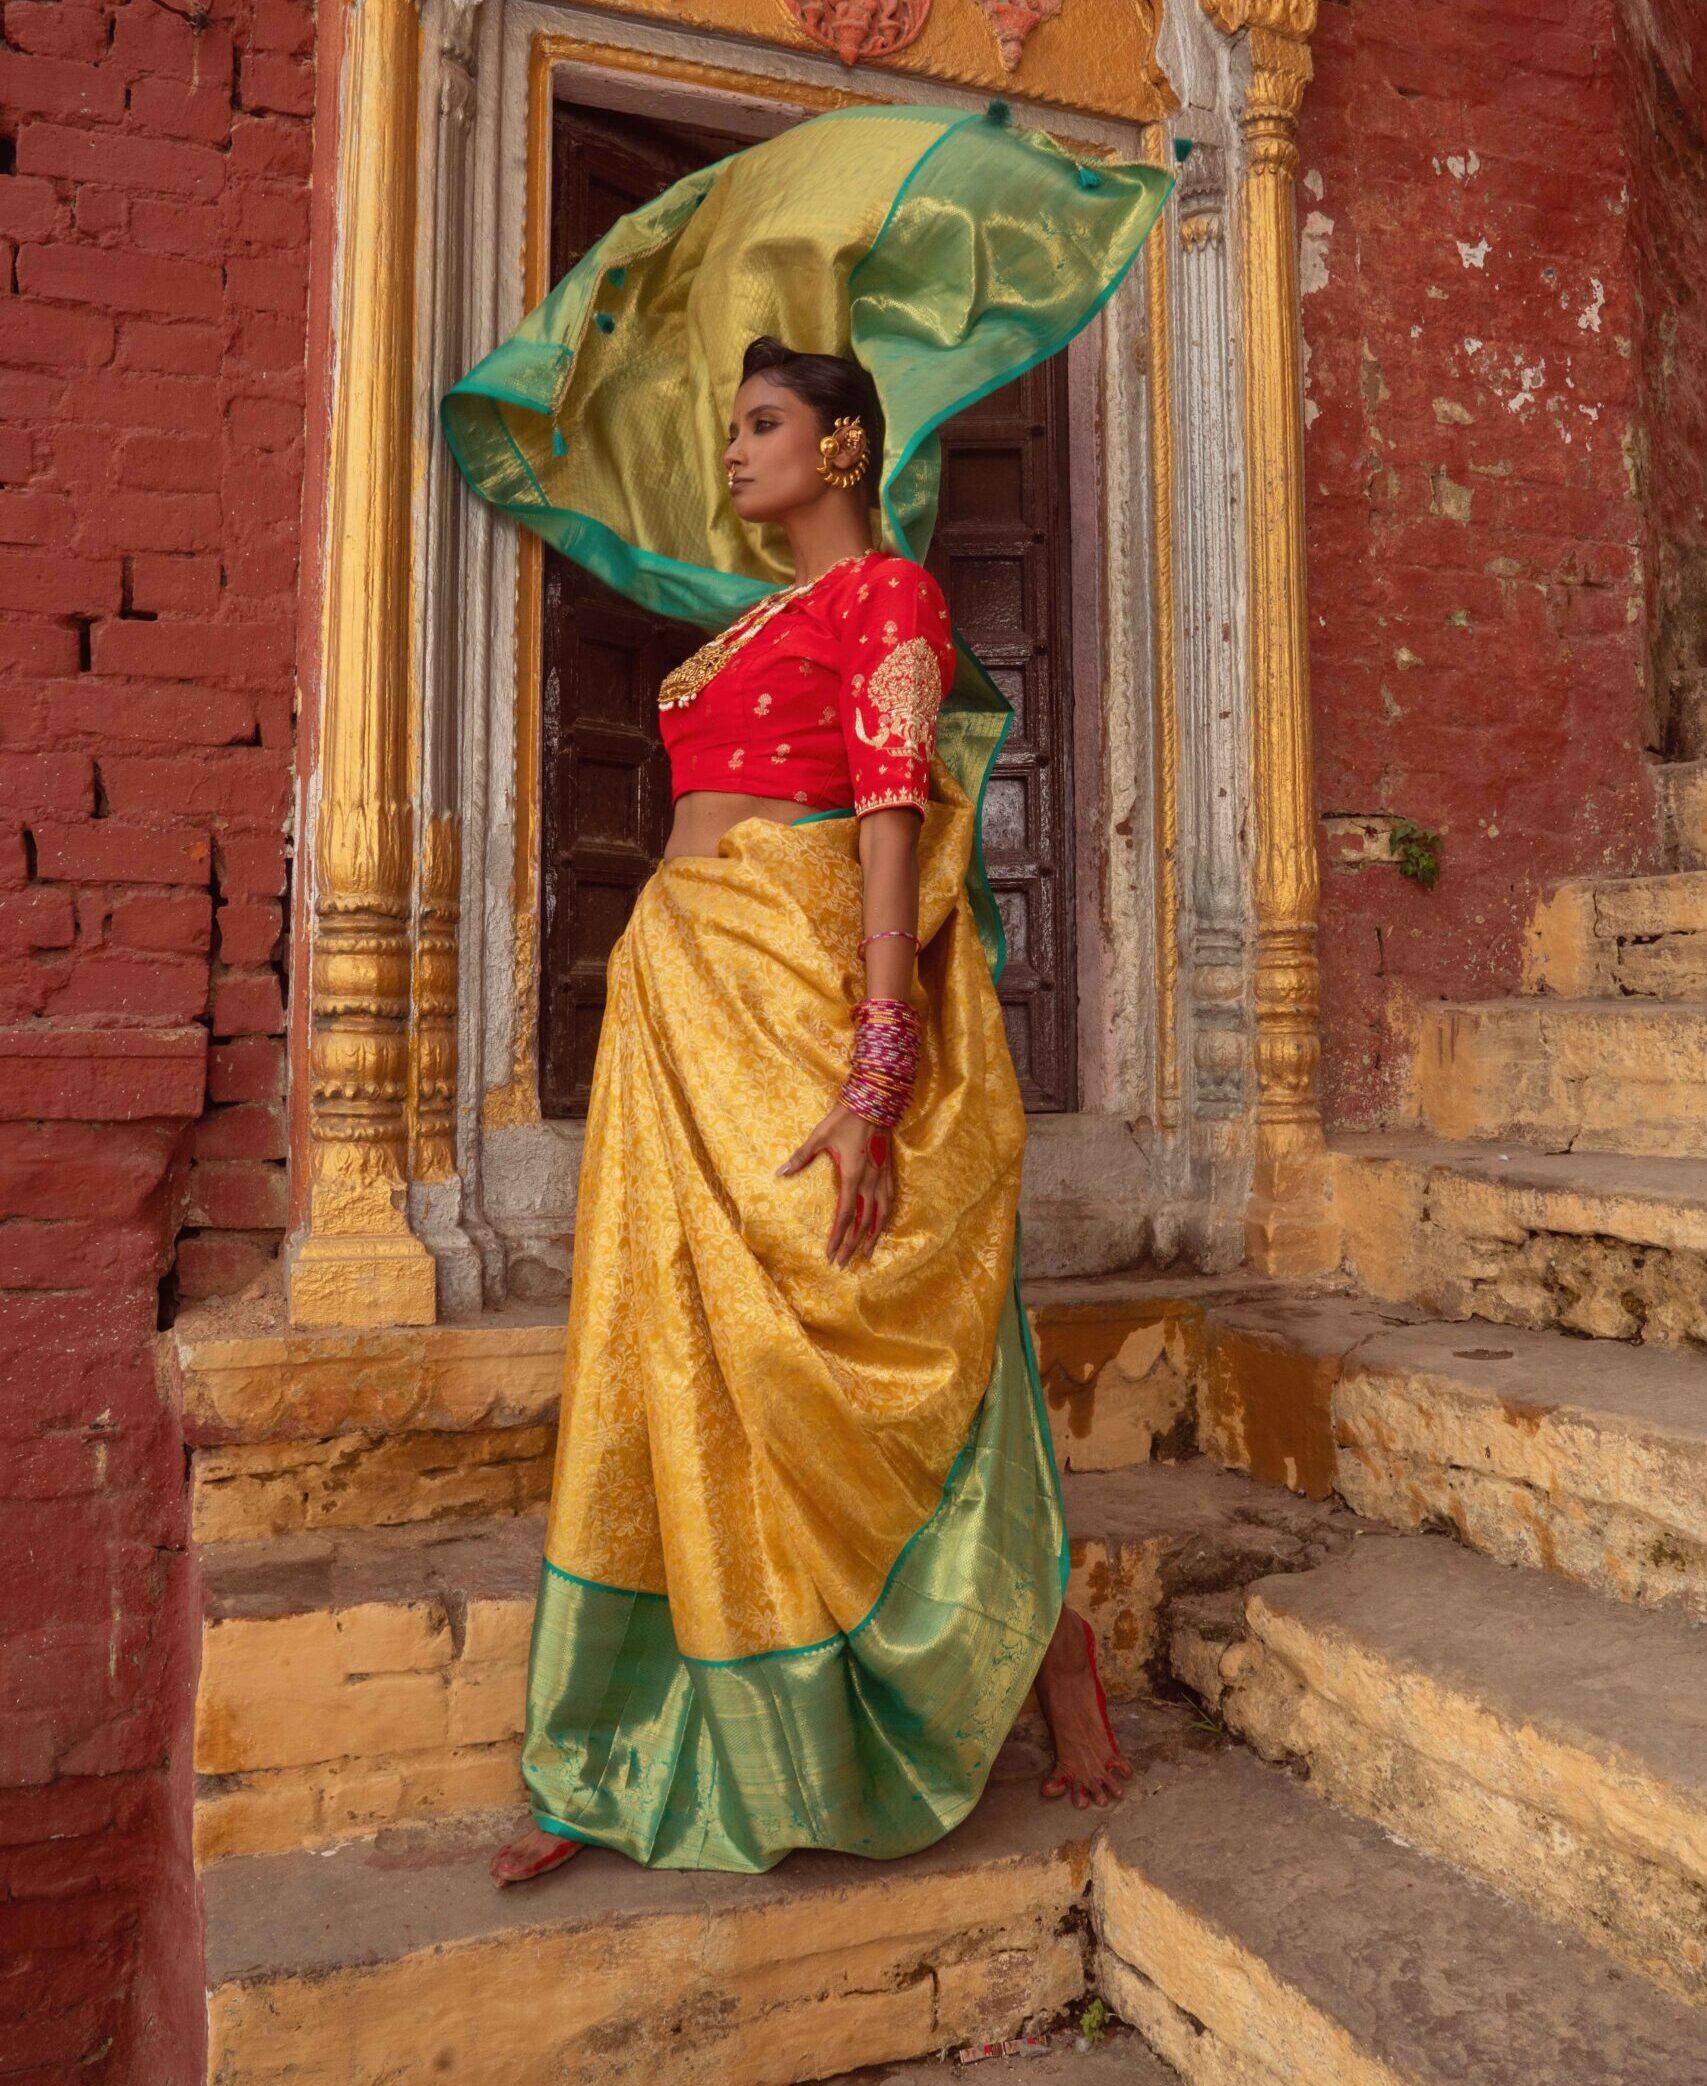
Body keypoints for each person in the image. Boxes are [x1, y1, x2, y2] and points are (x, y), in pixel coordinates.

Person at [438, 102, 1175, 1888]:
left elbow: (890, 835)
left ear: (841, 439)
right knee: (662, 1357)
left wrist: (873, 1076)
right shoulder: (736, 621)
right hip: (676, 997)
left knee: (830, 1340)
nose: (736, 448)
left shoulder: (888, 597)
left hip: (789, 980)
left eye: (761, 421)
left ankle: (1037, 1642)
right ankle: (597, 1752)